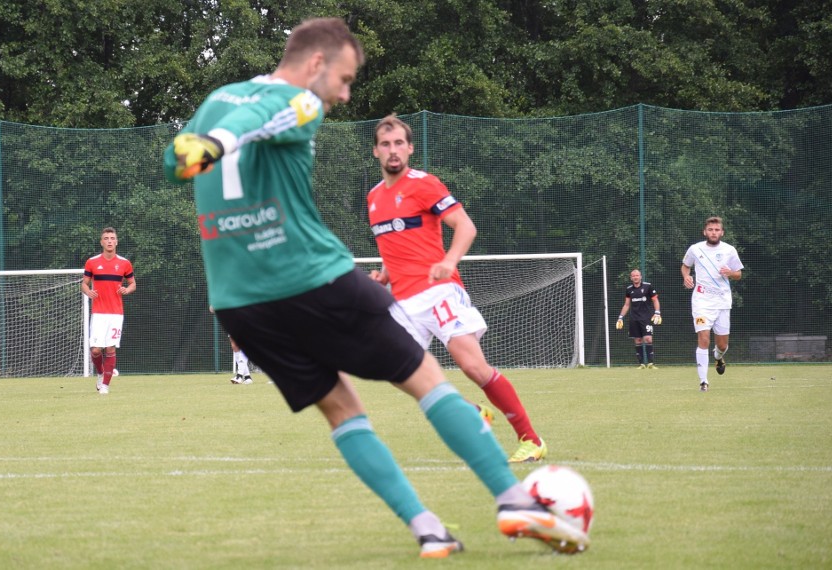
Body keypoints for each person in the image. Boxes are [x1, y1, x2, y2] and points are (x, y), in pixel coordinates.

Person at [162, 18, 583, 558]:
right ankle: (512, 500)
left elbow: (177, 156)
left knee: (343, 411)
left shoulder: (216, 101)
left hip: (239, 303)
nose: (343, 93)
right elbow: (276, 110)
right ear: (316, 64)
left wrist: (211, 141)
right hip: (312, 278)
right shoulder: (301, 102)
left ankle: (427, 528)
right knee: (430, 380)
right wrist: (226, 138)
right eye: (344, 77)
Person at [366, 115, 547, 463]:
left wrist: (450, 260)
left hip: (439, 291)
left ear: (410, 148)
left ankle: (531, 438)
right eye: (386, 144)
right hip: (402, 301)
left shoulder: (425, 184)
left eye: (399, 143)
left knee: (472, 367)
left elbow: (465, 226)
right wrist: (385, 276)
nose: (393, 150)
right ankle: (470, 412)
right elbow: (397, 244)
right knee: (394, 370)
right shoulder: (374, 198)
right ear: (376, 151)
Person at [681, 216, 744, 391]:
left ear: (722, 232)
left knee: (722, 344)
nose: (713, 233)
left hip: (722, 302)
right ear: (705, 231)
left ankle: (718, 357)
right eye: (710, 230)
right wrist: (686, 276)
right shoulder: (695, 249)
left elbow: (738, 274)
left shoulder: (729, 250)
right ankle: (703, 382)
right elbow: (685, 266)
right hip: (701, 302)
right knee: (703, 338)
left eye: (717, 230)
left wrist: (730, 272)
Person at [81, 227, 136, 394]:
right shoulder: (92, 262)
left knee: (110, 348)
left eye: (112, 238)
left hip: (116, 314)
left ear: (117, 241)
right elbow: (84, 283)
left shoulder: (124, 263)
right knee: (96, 350)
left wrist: (127, 289)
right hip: (98, 313)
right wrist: (88, 291)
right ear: (101, 242)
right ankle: (100, 373)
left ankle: (105, 386)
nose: (110, 241)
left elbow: (133, 283)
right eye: (106, 238)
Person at [616, 268, 661, 369]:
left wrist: (657, 312)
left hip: (647, 317)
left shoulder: (648, 286)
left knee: (648, 339)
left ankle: (650, 363)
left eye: (637, 275)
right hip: (634, 318)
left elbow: (655, 300)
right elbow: (627, 305)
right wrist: (620, 317)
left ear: (640, 277)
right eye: (633, 276)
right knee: (638, 341)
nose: (635, 277)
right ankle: (641, 364)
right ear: (631, 278)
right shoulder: (629, 289)